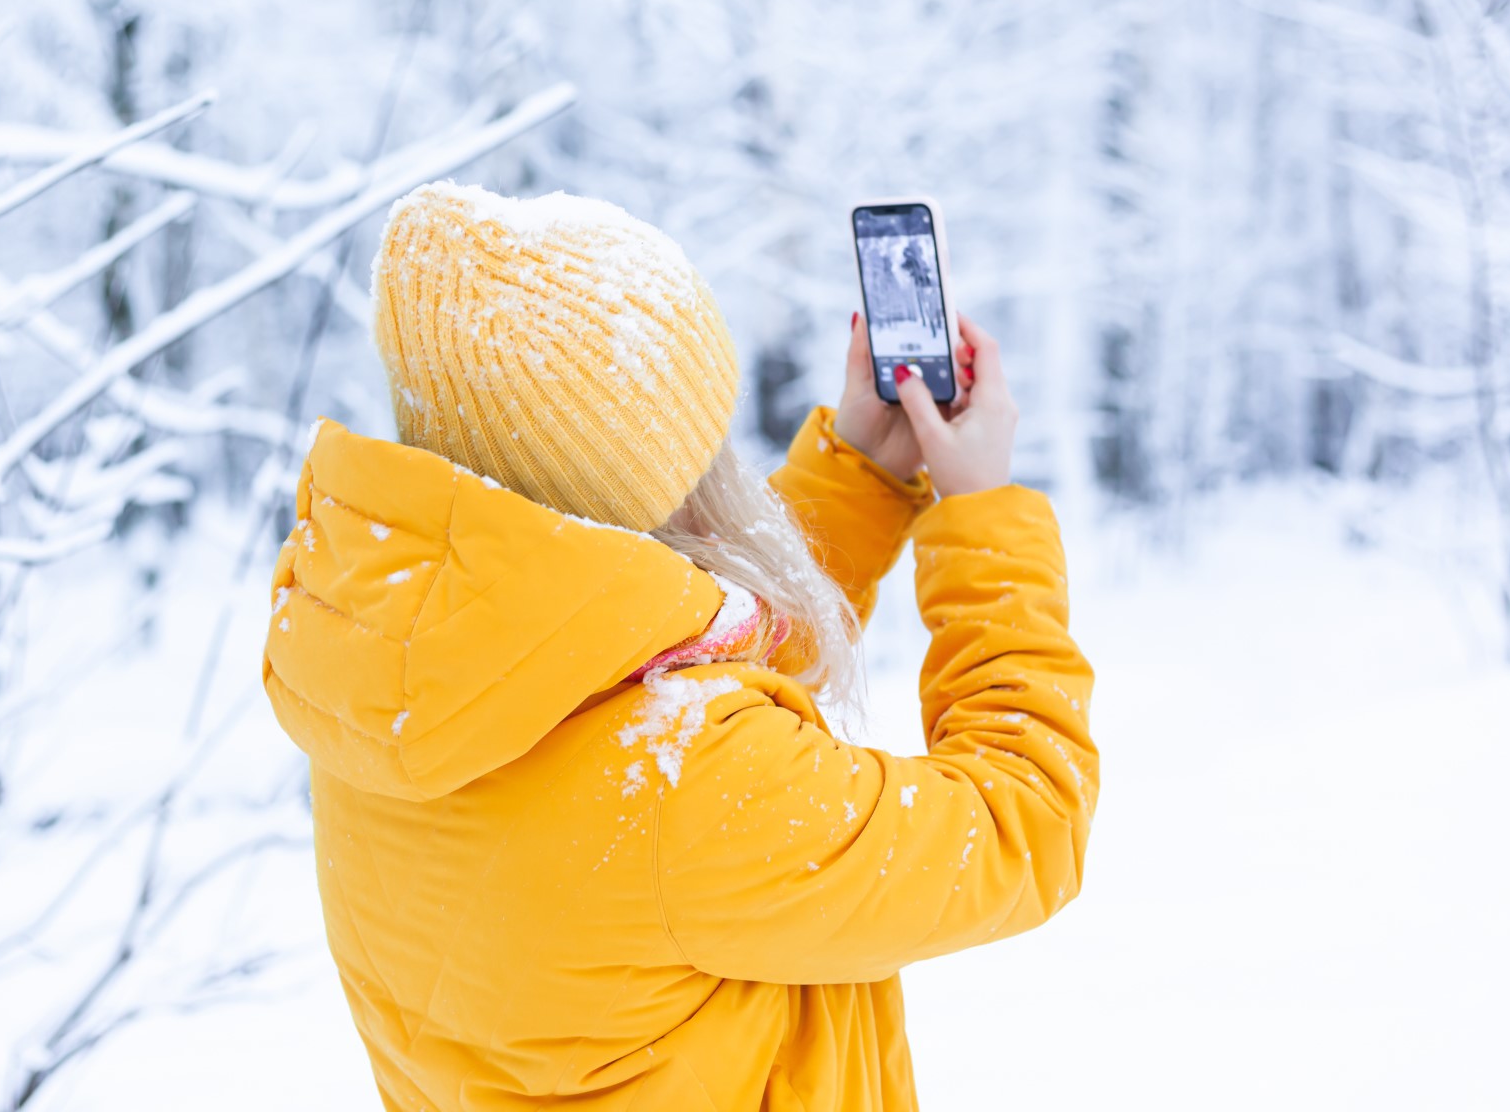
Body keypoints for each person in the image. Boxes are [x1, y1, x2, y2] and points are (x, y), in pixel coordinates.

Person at [262, 180, 1097, 1111]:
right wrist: (983, 518)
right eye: (702, 443)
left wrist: (860, 475)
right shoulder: (688, 779)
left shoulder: (405, 684)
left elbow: (627, 653)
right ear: (642, 480)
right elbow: (1024, 823)